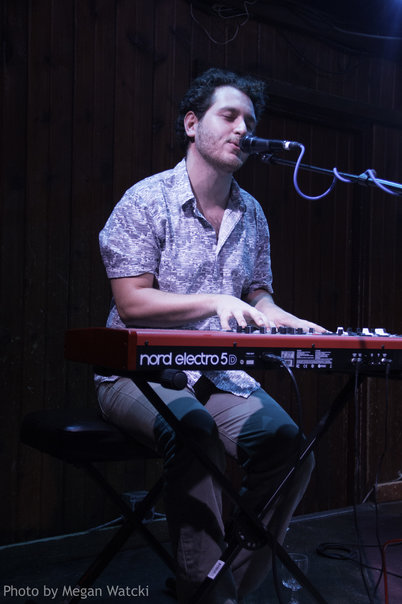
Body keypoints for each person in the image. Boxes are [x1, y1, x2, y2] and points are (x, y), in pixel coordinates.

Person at [96, 68, 322, 604]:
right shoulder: (146, 199)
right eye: (229, 115)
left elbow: (258, 295)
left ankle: (219, 588)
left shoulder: (252, 213)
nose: (243, 128)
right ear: (192, 124)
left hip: (217, 372)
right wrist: (216, 302)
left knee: (291, 450)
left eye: (250, 121)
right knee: (194, 432)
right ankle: (206, 591)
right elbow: (132, 303)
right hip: (138, 371)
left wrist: (283, 317)